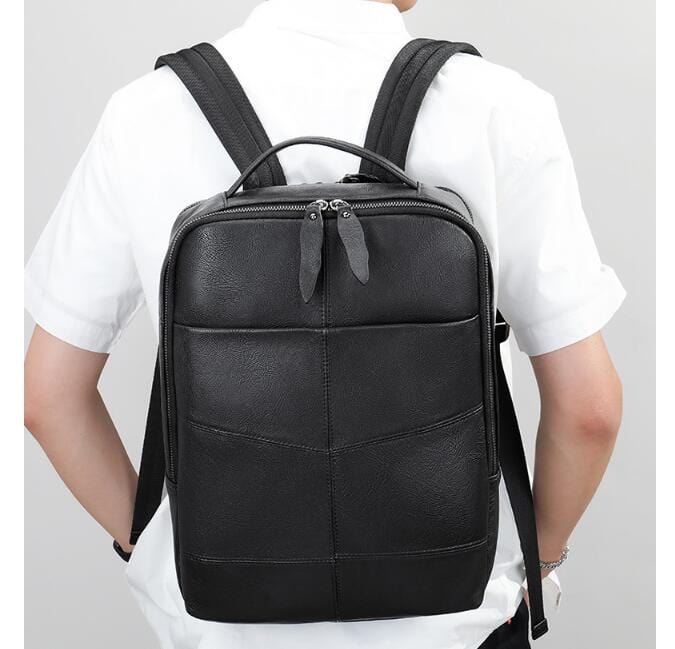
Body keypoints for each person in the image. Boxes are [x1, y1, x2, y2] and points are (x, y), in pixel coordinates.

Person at [24, 1, 625, 647]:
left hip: (219, 623)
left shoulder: (145, 113)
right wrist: (541, 562)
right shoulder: (500, 107)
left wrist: (147, 547)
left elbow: (48, 398)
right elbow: (588, 410)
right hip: (458, 620)